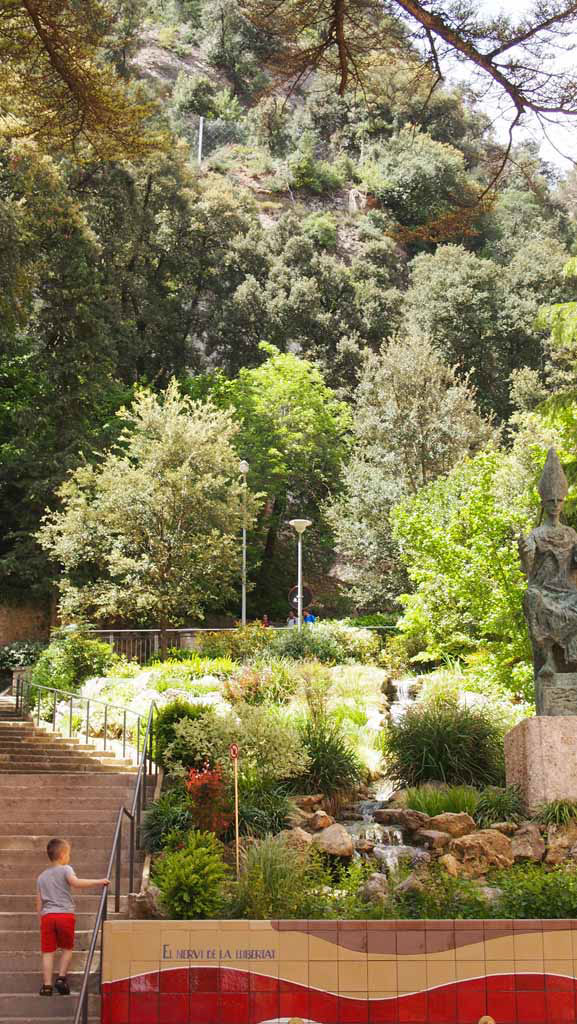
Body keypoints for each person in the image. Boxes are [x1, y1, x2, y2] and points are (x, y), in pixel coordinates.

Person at [519, 447, 577, 714]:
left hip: (569, 591)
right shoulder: (536, 534)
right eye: (551, 500)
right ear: (543, 503)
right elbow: (527, 571)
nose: (555, 505)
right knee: (531, 599)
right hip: (544, 591)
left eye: (559, 500)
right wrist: (525, 553)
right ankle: (549, 659)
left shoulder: (571, 533)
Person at [37, 838, 109, 997]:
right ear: (63, 855)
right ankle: (61, 978)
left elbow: (39, 902)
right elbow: (76, 883)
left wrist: (41, 920)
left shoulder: (41, 876)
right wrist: (99, 882)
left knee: (47, 952)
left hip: (47, 917)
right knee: (67, 948)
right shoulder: (66, 869)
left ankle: (47, 986)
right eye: (68, 854)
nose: (69, 857)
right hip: (64, 915)